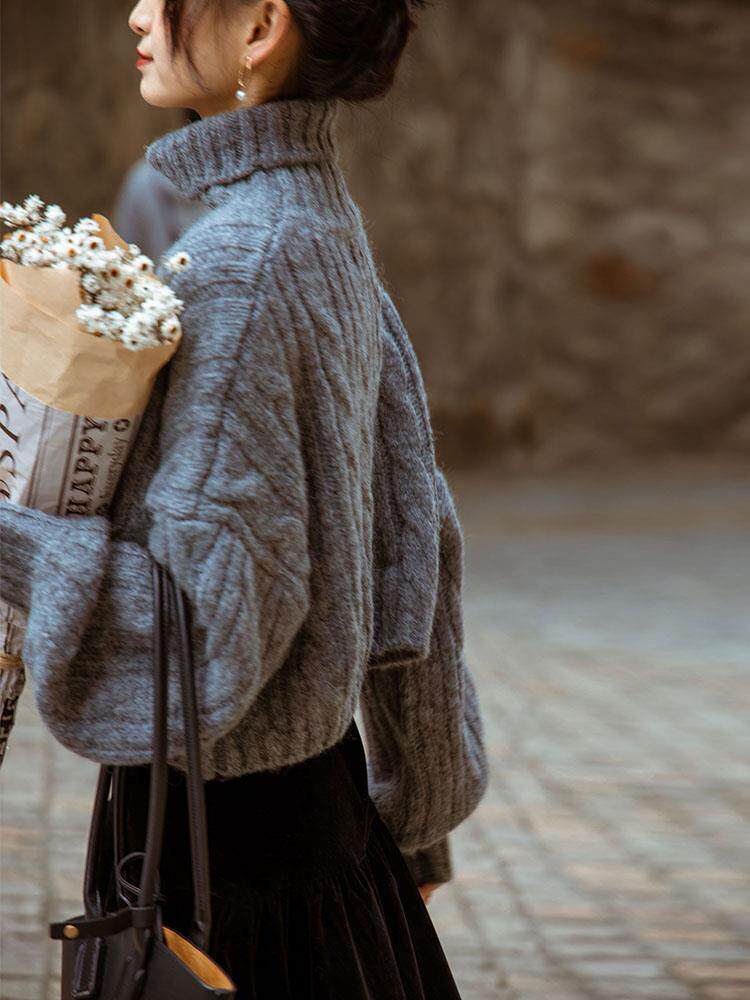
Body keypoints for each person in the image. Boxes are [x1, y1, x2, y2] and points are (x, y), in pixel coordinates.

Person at [0, 0, 488, 994]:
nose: (138, 13)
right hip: (326, 831)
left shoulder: (238, 266)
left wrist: (15, 542)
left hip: (225, 862)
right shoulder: (320, 229)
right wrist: (419, 815)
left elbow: (206, 627)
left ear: (261, 27)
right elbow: (416, 539)